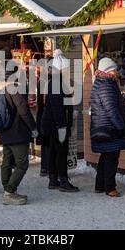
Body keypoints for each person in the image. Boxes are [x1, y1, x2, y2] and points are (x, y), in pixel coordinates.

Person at [0, 50, 38, 206]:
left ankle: (7, 187)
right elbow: (23, 109)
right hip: (17, 130)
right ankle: (9, 191)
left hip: (5, 129)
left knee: (7, 160)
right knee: (22, 163)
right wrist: (33, 127)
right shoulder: (13, 87)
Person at [91, 58, 125, 197]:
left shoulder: (102, 82)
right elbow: (111, 109)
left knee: (106, 155)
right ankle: (110, 188)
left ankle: (100, 184)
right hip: (109, 128)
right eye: (114, 69)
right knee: (112, 157)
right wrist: (120, 126)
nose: (117, 72)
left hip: (105, 126)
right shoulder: (106, 84)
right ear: (109, 70)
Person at [41, 50, 77, 192]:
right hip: (56, 124)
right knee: (61, 152)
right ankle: (63, 180)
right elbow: (57, 108)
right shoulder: (57, 83)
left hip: (52, 123)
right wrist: (62, 126)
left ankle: (53, 179)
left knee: (54, 151)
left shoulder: (57, 82)